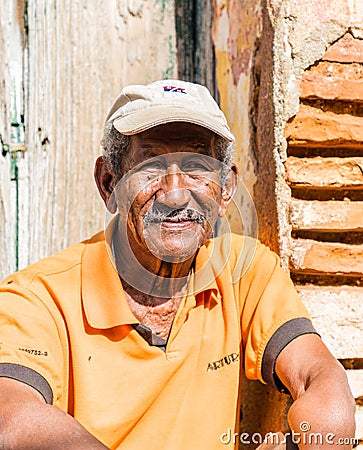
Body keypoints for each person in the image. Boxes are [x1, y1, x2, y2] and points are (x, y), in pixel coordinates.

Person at [0, 79, 355, 450]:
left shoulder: (244, 273)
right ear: (110, 184)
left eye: (196, 166)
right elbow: (11, 414)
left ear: (226, 190)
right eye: (151, 167)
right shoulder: (38, 298)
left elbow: (319, 378)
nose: (175, 193)